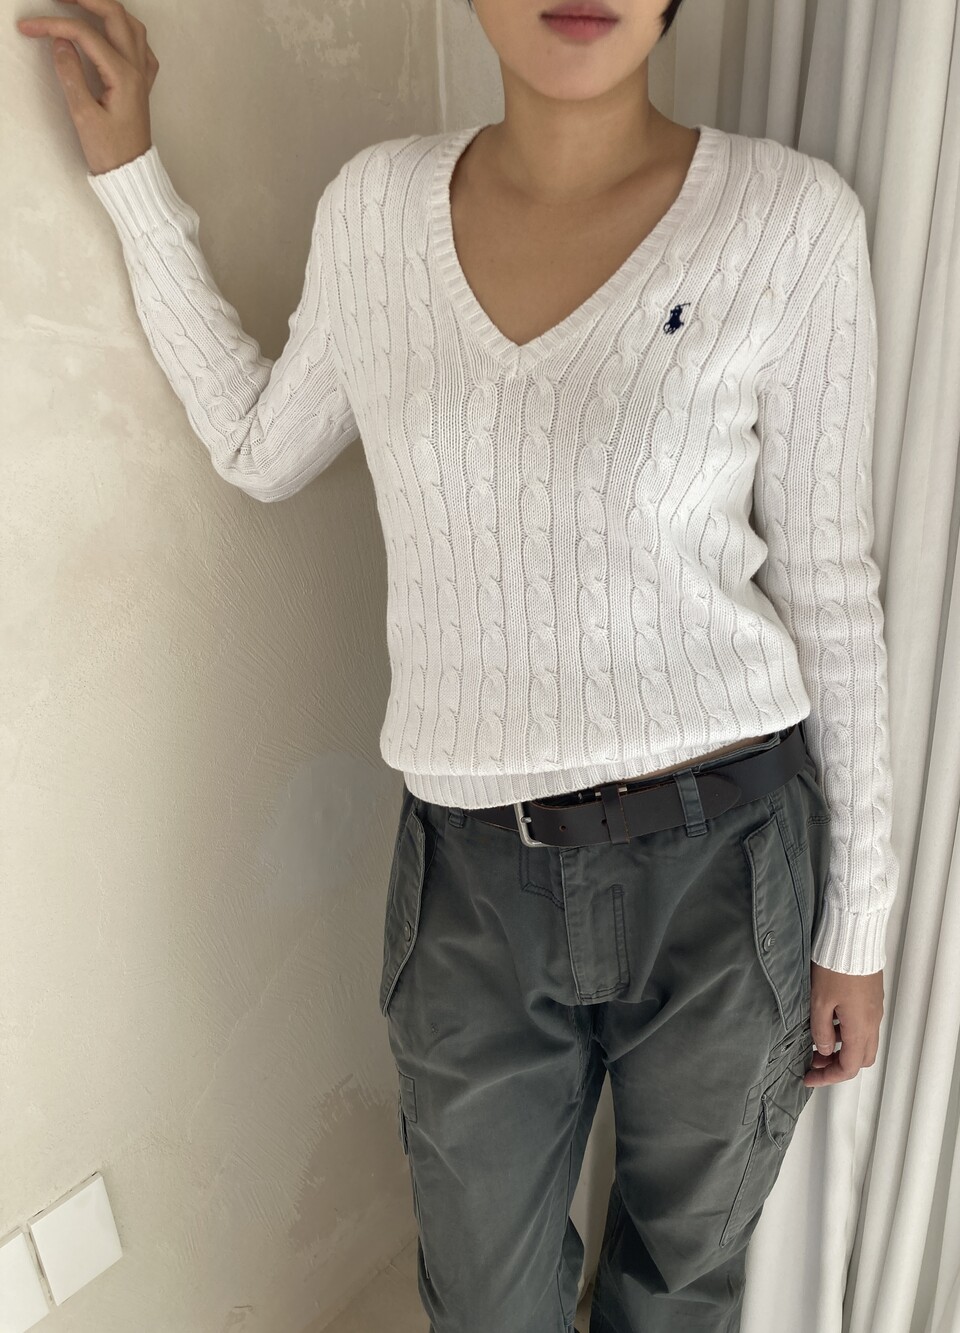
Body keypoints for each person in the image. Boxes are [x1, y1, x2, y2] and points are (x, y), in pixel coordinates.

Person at [17, 1, 899, 1329]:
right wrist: (130, 170)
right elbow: (261, 445)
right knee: (486, 1303)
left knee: (680, 1289)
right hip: (474, 883)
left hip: (726, 867)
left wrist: (858, 927)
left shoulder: (789, 222)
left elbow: (831, 583)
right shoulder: (378, 216)